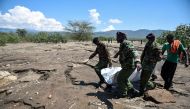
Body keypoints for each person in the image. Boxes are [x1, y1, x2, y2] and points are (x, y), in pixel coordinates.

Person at [114, 32, 138, 98]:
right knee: (125, 78)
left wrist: (138, 61)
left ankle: (123, 93)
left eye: (117, 37)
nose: (116, 38)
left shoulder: (126, 43)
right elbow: (122, 50)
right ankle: (132, 90)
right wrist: (117, 54)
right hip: (127, 65)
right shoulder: (123, 43)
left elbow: (134, 52)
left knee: (120, 78)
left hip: (129, 65)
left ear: (121, 37)